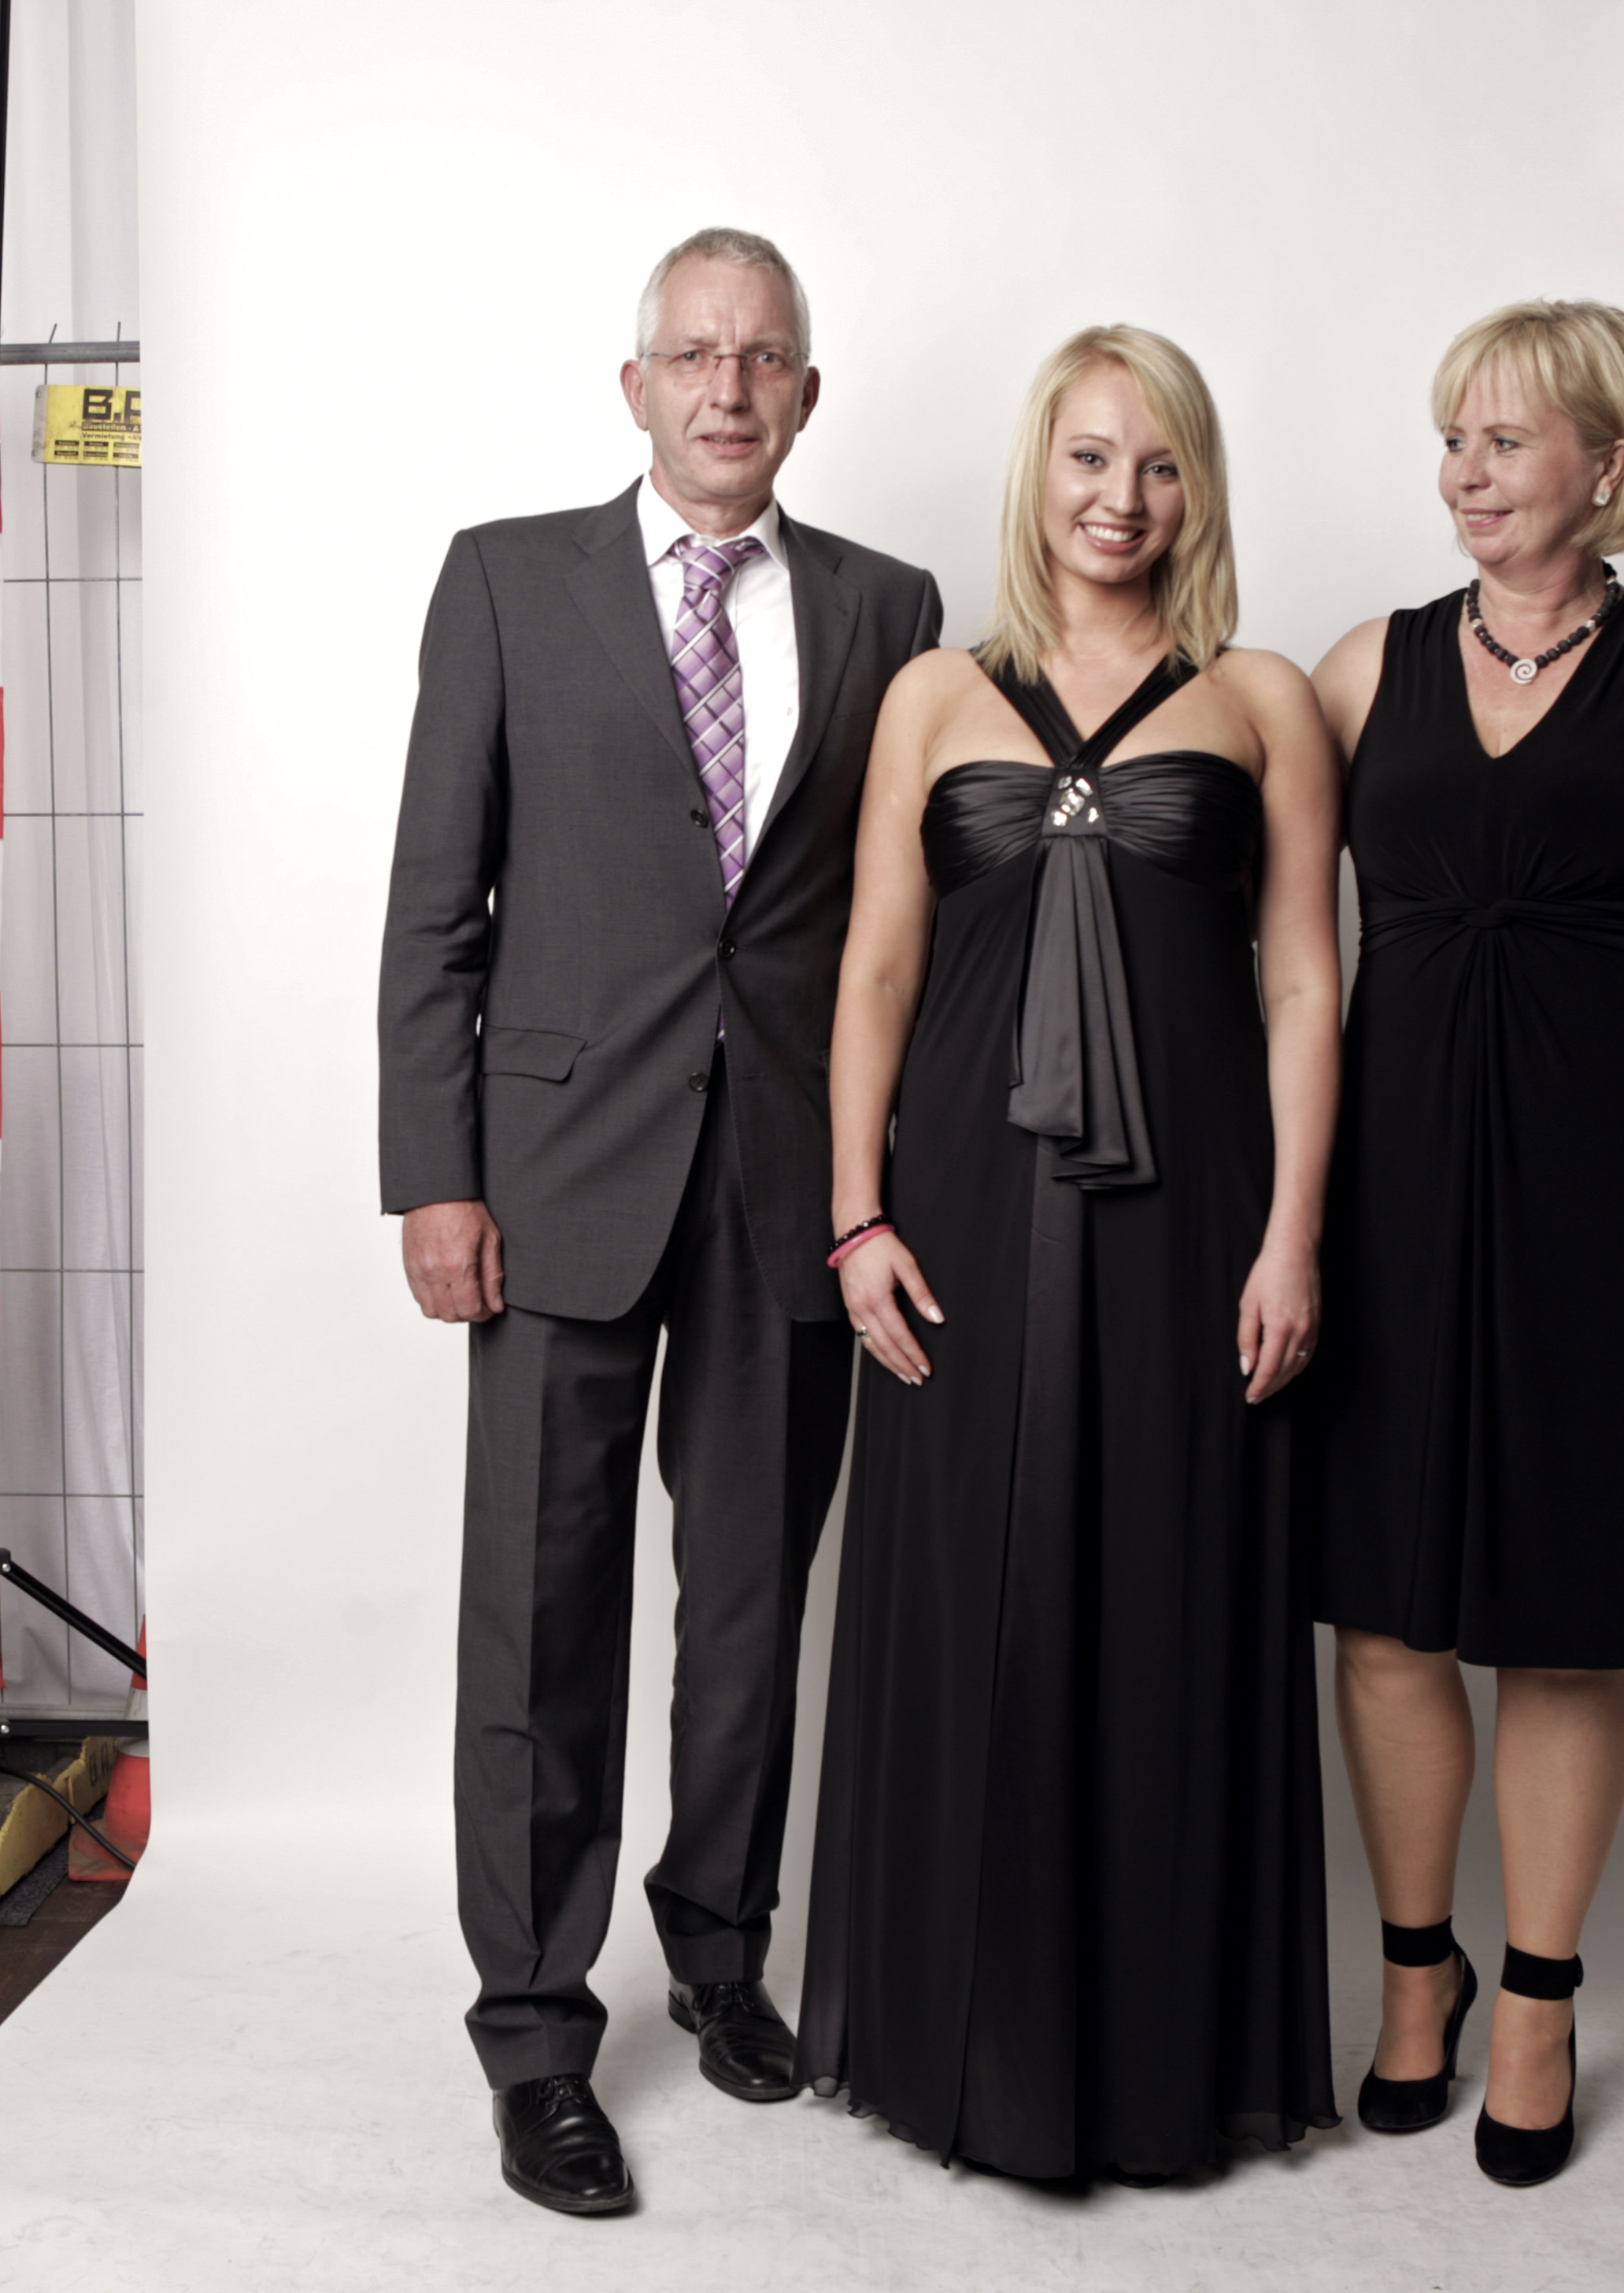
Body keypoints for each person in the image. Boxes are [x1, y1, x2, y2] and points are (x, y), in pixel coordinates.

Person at [376, 227, 945, 2217]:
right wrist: (433, 1172)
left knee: (753, 1604)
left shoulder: (889, 607)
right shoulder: (506, 580)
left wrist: (890, 1184)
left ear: (806, 393)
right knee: (539, 1617)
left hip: (788, 1182)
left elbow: (892, 928)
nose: (727, 385)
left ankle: (718, 1949)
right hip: (550, 1180)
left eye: (763, 356)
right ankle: (538, 2033)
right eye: (695, 353)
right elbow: (434, 904)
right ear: (636, 387)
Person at [801, 325, 1346, 2179]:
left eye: (1162, 464)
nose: (1124, 498)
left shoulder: (1264, 697)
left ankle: (1152, 2066)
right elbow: (877, 966)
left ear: (1200, 489)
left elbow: (1304, 981)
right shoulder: (934, 692)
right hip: (958, 1212)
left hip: (1197, 1222)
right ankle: (960, 2055)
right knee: (970, 1596)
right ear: (1040, 470)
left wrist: (1294, 1235)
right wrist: (856, 1216)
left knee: (1170, 1597)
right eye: (1092, 458)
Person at [1303, 301, 1624, 2187]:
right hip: (1391, 1188)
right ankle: (1413, 1972)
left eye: (1506, 439)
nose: (1466, 472)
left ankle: (1536, 1996)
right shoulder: (1363, 666)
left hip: (1619, 1195)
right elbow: (1248, 913)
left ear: (1611, 461)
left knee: (1563, 1614)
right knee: (1384, 1612)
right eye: (1453, 439)